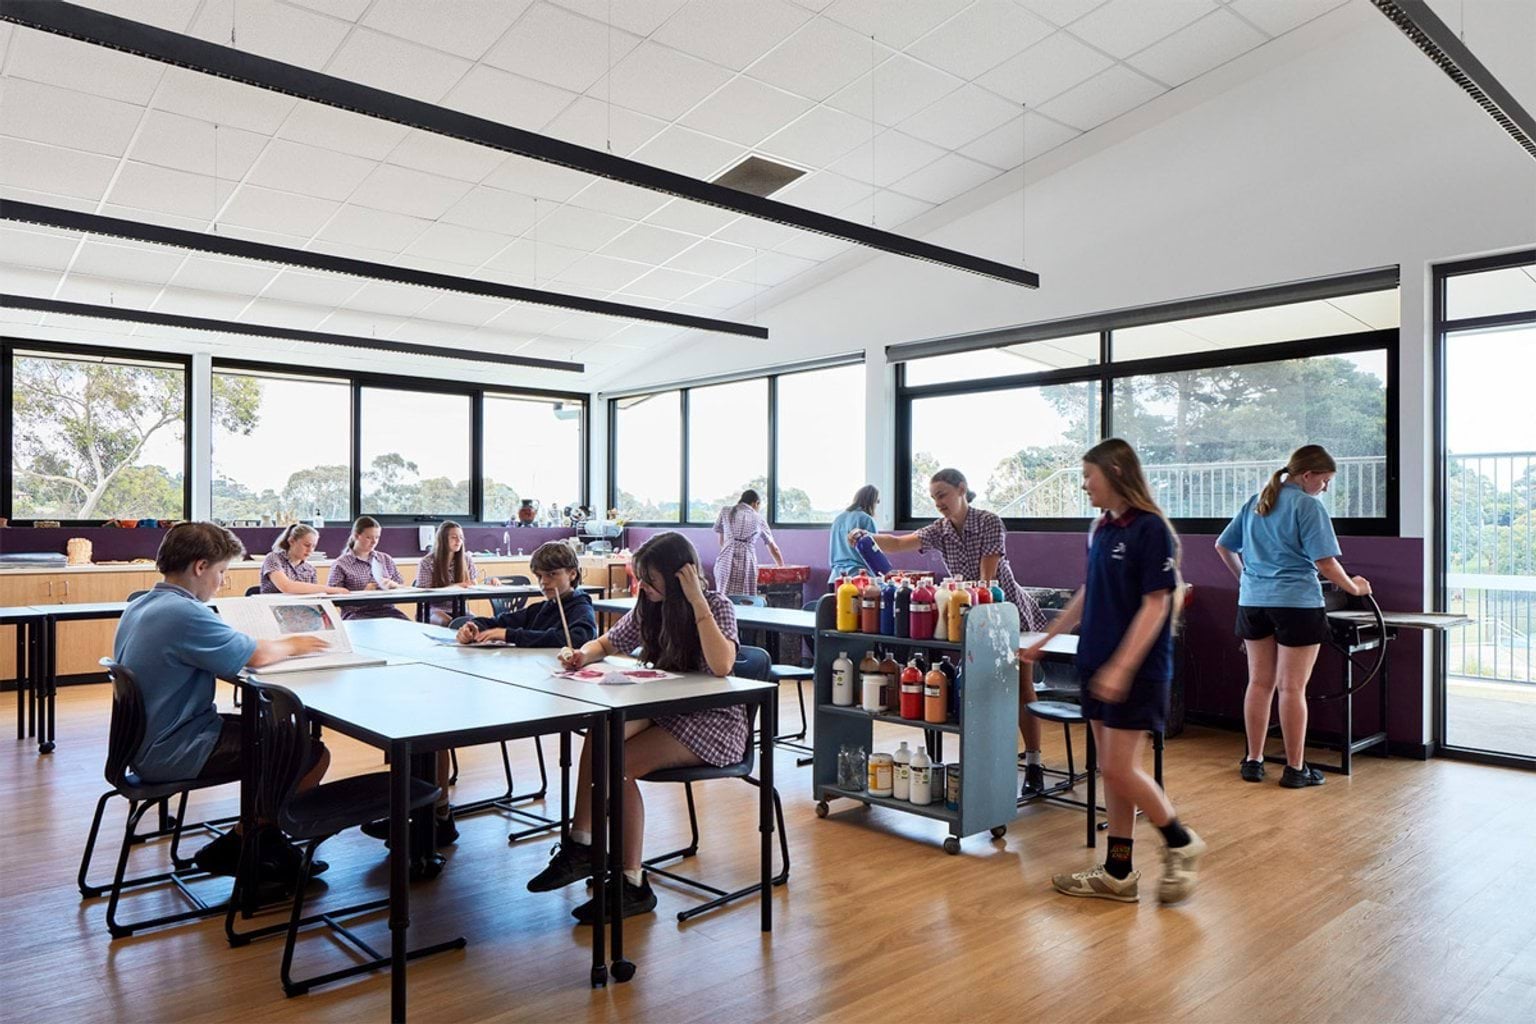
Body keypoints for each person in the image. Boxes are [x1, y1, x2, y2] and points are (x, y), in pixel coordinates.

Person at [1024, 439, 1206, 904]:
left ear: (1116, 472)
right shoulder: (1101, 527)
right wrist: (1048, 637)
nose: (1085, 484)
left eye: (1089, 475)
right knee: (1115, 772)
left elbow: (1157, 603)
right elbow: (1089, 590)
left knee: (1118, 767)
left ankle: (1180, 841)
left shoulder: (1151, 529)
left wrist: (1122, 667)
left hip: (1136, 670)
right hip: (1095, 663)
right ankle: (1119, 872)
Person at [528, 532, 742, 922]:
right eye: (640, 577)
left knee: (621, 765)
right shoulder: (650, 606)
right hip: (664, 708)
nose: (643, 586)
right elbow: (607, 643)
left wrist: (696, 600)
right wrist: (582, 654)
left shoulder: (716, 605)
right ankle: (582, 843)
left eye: (651, 578)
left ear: (680, 575)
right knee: (602, 732)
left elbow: (722, 664)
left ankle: (632, 884)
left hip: (711, 721)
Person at [113, 522, 331, 887]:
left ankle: (249, 838)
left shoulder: (143, 604)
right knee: (307, 752)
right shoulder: (183, 613)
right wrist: (295, 644)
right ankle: (253, 844)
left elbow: (228, 647)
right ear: (200, 567)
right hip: (175, 749)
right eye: (221, 572)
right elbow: (256, 656)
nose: (222, 582)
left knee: (278, 734)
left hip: (145, 744)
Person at [848, 468, 1051, 794]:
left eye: (942, 495)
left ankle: (1034, 763)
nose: (938, 503)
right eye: (933, 498)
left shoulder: (988, 521)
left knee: (1021, 687)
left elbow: (988, 580)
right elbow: (898, 543)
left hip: (1004, 610)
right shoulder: (940, 529)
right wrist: (866, 538)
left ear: (961, 489)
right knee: (977, 688)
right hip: (966, 613)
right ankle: (985, 761)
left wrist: (976, 609)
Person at [1216, 444, 1372, 788]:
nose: (1325, 488)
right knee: (1291, 688)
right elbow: (1325, 563)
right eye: (1325, 480)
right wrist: (1355, 588)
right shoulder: (1307, 505)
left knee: (1259, 683)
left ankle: (1253, 761)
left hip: (1253, 602)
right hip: (1296, 604)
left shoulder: (1257, 501)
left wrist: (1246, 580)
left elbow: (1223, 546)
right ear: (1307, 475)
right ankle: (1295, 769)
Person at [456, 541, 596, 648]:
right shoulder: (540, 609)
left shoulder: (581, 607)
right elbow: (500, 622)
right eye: (539, 576)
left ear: (572, 574)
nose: (544, 581)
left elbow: (578, 639)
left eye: (552, 574)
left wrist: (509, 635)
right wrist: (473, 627)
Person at [327, 515, 408, 620]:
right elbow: (333, 596)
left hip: (387, 611)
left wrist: (394, 585)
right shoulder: (341, 564)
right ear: (356, 536)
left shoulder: (385, 559)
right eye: (369, 537)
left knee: (409, 627)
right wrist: (363, 594)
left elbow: (403, 588)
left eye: (377, 537)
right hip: (357, 613)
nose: (374, 542)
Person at [712, 489, 784, 596]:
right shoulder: (759, 519)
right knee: (745, 598)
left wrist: (728, 550)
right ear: (756, 503)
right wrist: (781, 567)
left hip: (724, 561)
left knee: (723, 595)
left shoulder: (726, 511)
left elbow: (721, 540)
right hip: (746, 562)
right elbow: (774, 548)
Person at [413, 520, 480, 627]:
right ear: (443, 539)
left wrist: (489, 584)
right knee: (450, 623)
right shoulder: (427, 562)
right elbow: (424, 593)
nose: (458, 541)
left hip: (460, 608)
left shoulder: (466, 559)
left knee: (478, 624)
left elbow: (473, 584)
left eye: (461, 537)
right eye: (454, 537)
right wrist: (455, 587)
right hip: (434, 609)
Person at [260, 523, 347, 596]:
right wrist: (331, 590)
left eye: (313, 546)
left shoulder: (310, 569)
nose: (310, 550)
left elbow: (314, 596)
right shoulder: (273, 558)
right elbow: (286, 587)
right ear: (291, 541)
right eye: (307, 545)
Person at [828, 484, 880, 578]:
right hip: (860, 576)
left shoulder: (838, 519)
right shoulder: (867, 519)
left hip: (836, 576)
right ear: (872, 501)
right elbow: (875, 554)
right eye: (877, 501)